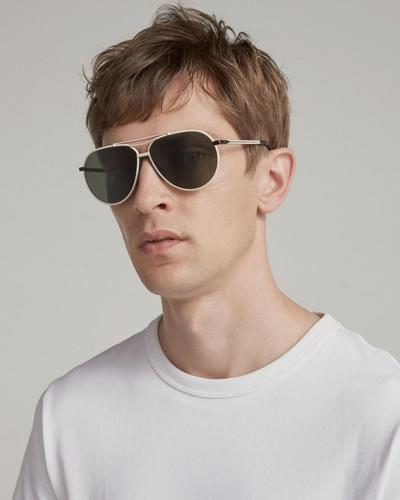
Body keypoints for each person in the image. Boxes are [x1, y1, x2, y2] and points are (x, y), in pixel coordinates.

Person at [12, 3, 400, 499]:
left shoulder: (380, 415)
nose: (146, 198)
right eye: (118, 169)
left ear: (272, 179)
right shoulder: (70, 419)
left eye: (187, 157)